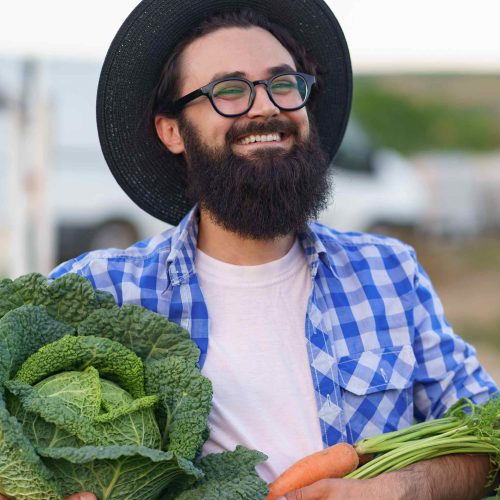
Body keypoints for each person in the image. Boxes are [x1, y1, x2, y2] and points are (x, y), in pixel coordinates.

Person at [42, 0, 497, 498]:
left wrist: (401, 489)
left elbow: (485, 434)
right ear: (172, 131)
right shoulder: (96, 291)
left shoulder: (389, 271)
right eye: (229, 90)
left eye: (284, 84)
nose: (266, 106)